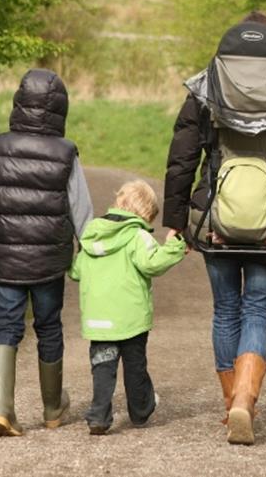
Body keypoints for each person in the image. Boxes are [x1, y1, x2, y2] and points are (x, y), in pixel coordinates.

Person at [163, 11, 266, 445]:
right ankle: (245, 399)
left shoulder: (208, 87)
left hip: (214, 219)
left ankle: (230, 406)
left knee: (225, 310)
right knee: (257, 309)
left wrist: (176, 222)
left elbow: (183, 156)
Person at [0, 68, 93, 437]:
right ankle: (52, 408)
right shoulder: (65, 152)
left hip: (5, 256)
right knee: (49, 327)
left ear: (18, 103)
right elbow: (81, 209)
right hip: (47, 261)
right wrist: (85, 247)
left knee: (6, 327)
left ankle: (2, 409)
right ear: (60, 109)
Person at [69, 180, 187, 434]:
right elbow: (151, 263)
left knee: (102, 367)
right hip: (131, 320)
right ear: (146, 213)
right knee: (135, 367)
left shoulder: (92, 235)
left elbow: (77, 271)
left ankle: (99, 415)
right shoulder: (138, 236)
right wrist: (175, 246)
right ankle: (140, 410)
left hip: (98, 320)